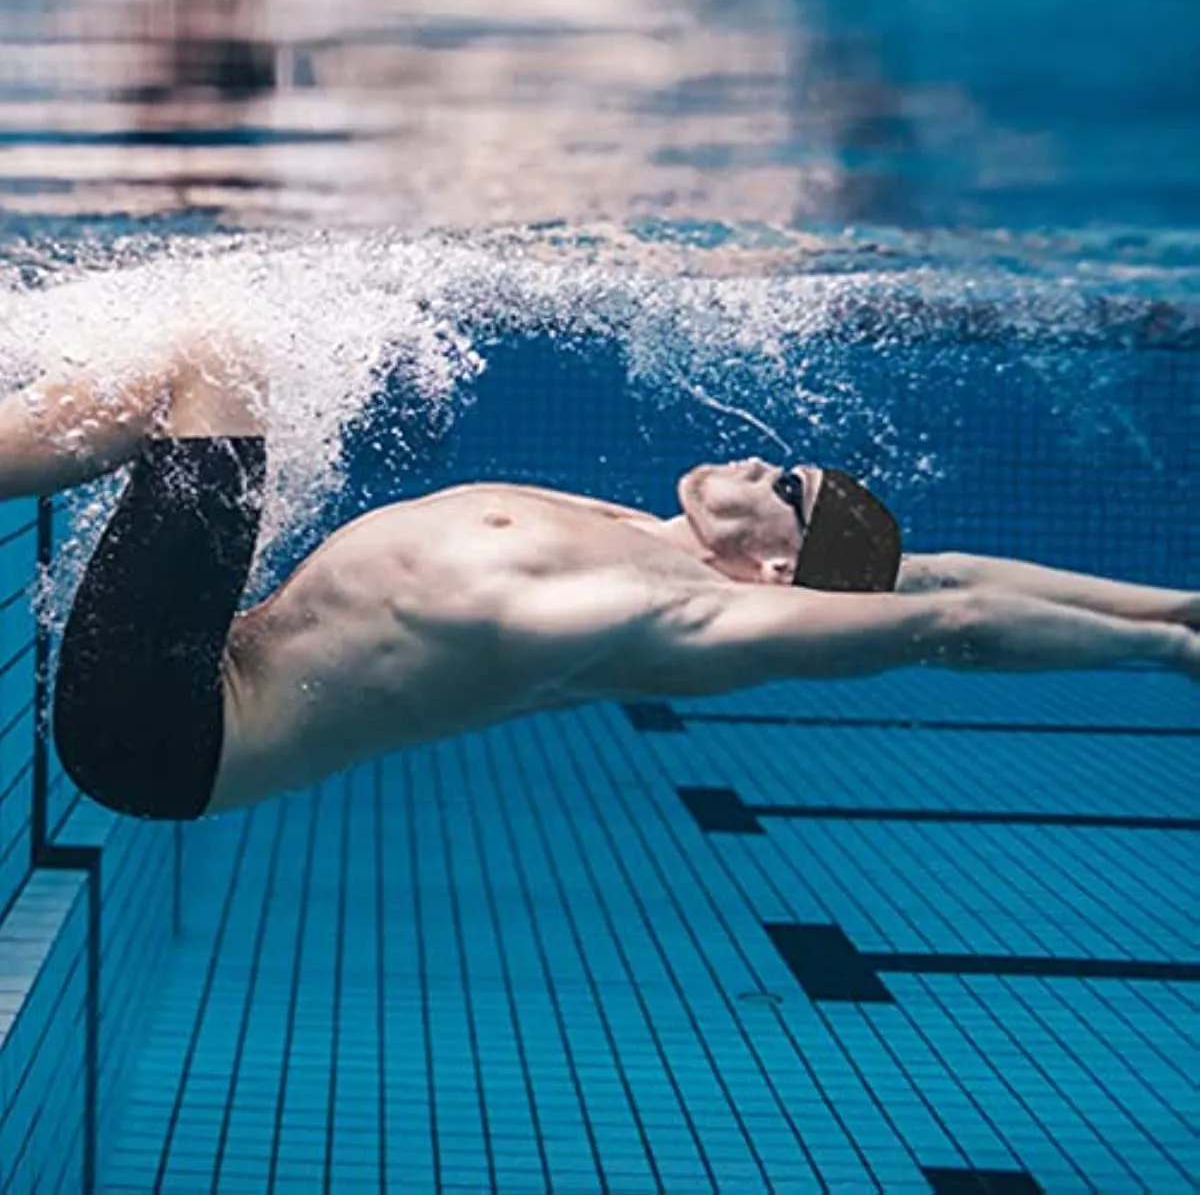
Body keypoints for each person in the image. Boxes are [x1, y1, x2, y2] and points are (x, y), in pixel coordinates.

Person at [1, 338, 1196, 822]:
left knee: (212, 363)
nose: (756, 456)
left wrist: (1170, 658)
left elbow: (958, 619)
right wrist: (1173, 601)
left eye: (783, 482)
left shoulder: (671, 609)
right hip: (205, 667)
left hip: (170, 730)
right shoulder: (658, 535)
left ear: (775, 569)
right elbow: (943, 570)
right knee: (203, 368)